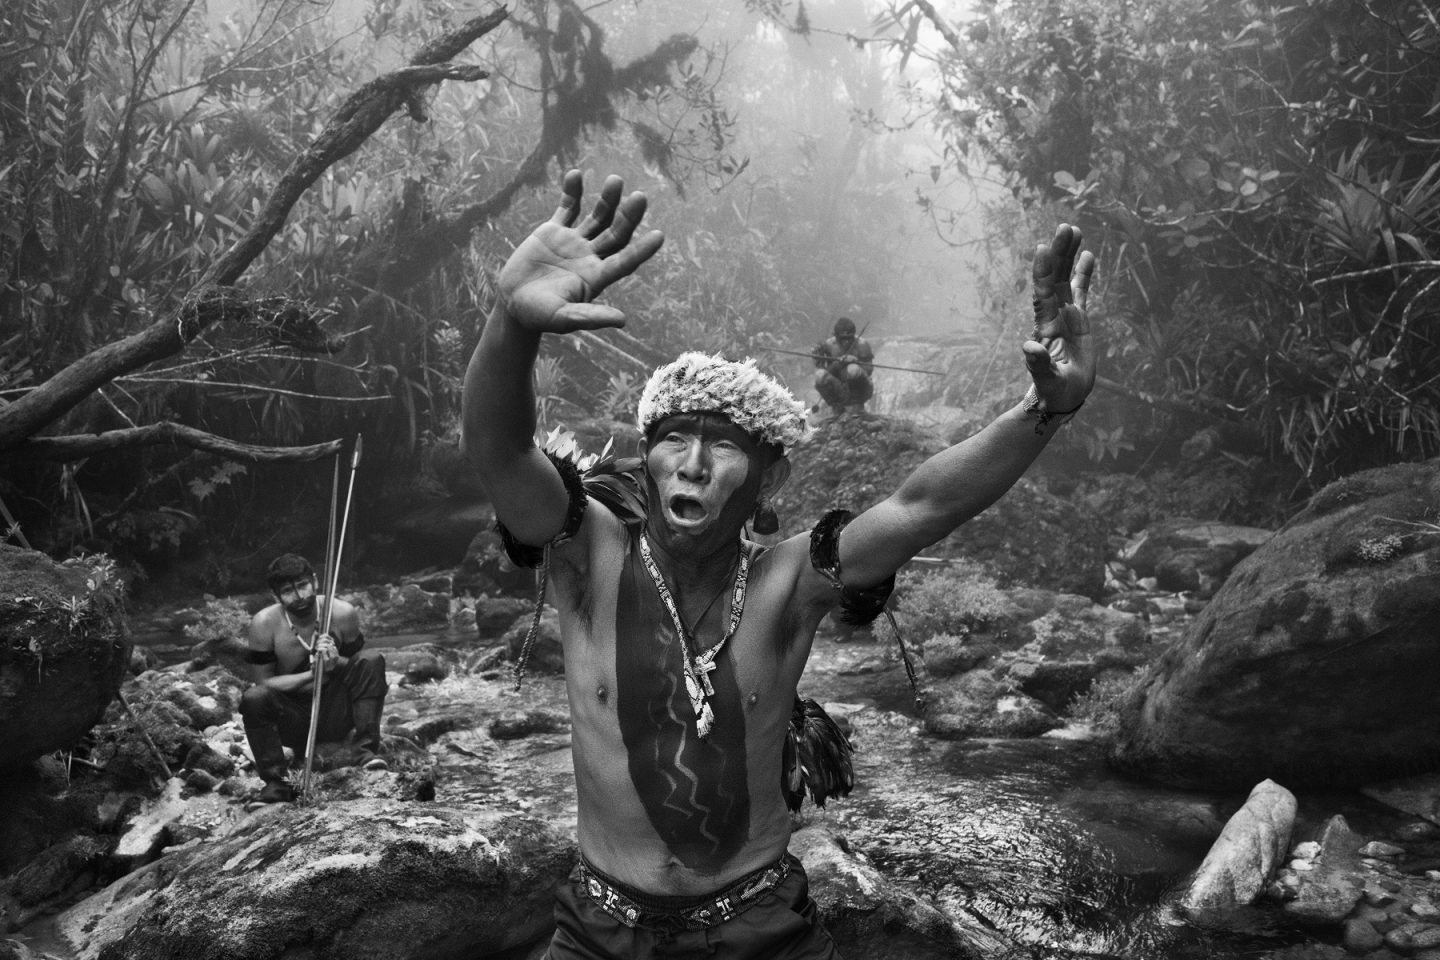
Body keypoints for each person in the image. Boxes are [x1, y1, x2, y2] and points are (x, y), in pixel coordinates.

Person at [461, 170, 1095, 960]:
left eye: (724, 444)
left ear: (771, 477)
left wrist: (1048, 408)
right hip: (598, 930)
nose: (691, 464)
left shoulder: (791, 582)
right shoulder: (585, 553)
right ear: (647, 453)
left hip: (756, 930)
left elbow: (922, 506)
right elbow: (500, 449)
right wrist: (510, 322)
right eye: (673, 438)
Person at [239, 553, 389, 803]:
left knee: (372, 659)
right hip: (294, 720)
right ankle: (278, 783)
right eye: (288, 591)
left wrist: (333, 663)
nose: (299, 597)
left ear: (315, 582)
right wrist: (311, 674)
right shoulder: (264, 624)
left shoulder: (342, 613)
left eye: (303, 586)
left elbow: (358, 668)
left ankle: (365, 752)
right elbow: (263, 684)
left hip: (338, 713)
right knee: (253, 698)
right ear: (276, 595)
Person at [812, 317, 875, 414]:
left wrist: (856, 361)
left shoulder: (862, 344)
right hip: (838, 388)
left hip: (861, 390)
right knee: (819, 375)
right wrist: (835, 364)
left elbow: (869, 369)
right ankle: (836, 406)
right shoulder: (828, 345)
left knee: (853, 369)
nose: (846, 342)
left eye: (849, 338)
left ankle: (857, 406)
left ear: (854, 335)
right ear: (836, 336)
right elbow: (823, 372)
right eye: (843, 339)